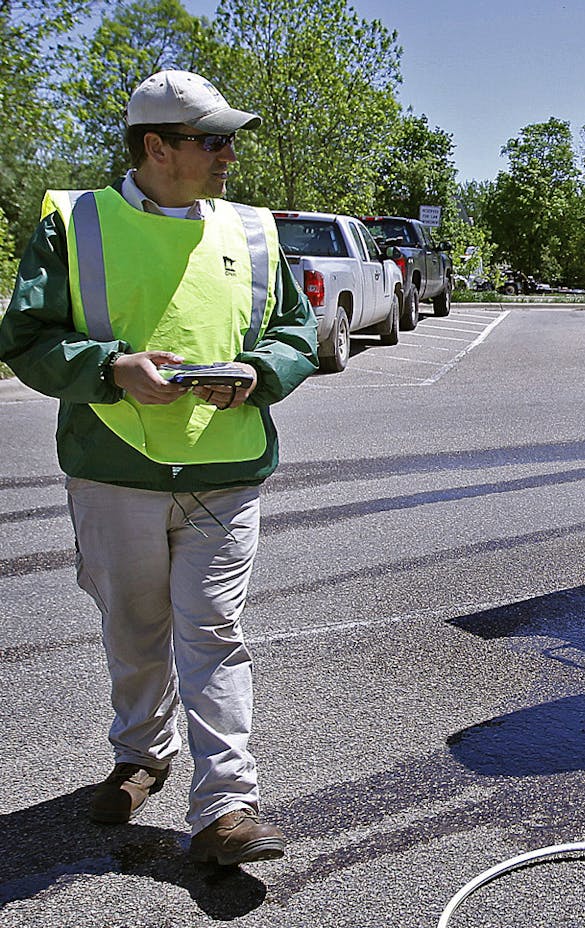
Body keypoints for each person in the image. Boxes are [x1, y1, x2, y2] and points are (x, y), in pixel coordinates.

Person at [0, 70, 317, 866]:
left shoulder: (251, 230)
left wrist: (258, 373)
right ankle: (143, 756)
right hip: (114, 472)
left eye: (228, 141)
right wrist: (111, 367)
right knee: (135, 631)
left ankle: (228, 808)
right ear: (156, 147)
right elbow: (26, 342)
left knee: (213, 633)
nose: (228, 156)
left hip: (227, 470)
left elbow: (297, 333)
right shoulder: (75, 222)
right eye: (212, 140)